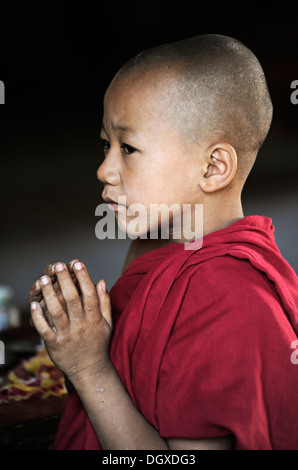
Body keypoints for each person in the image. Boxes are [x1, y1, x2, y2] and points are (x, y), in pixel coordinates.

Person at [28, 34, 298, 450]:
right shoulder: (156, 250)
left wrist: (89, 369)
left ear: (213, 167)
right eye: (106, 144)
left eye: (128, 147)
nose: (104, 169)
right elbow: (136, 383)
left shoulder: (230, 298)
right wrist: (75, 335)